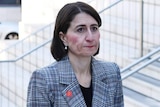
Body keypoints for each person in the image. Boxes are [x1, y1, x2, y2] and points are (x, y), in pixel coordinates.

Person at [27, 1, 124, 107]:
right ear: (63, 37)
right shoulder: (44, 79)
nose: (90, 37)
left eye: (94, 28)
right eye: (80, 29)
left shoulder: (111, 72)